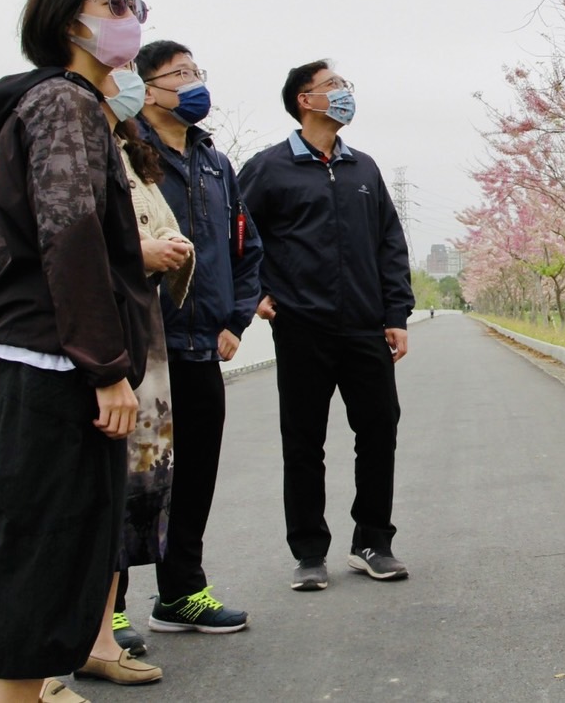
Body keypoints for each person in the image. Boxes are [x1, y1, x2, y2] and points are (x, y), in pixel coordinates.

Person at [0, 0, 156, 703]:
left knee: (48, 553)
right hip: (52, 368)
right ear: (68, 21)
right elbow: (71, 236)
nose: (130, 14)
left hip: (45, 361)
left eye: (135, 1)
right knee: (36, 557)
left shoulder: (67, 107)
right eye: (115, 2)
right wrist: (107, 367)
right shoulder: (65, 106)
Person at [239, 61, 414, 592]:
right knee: (304, 441)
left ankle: (373, 542)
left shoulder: (364, 169)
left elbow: (389, 242)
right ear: (304, 100)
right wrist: (257, 293)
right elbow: (239, 234)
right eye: (333, 87)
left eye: (344, 86)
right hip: (301, 327)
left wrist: (396, 314)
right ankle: (310, 552)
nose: (343, 95)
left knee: (379, 432)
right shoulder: (268, 168)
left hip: (364, 327)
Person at [124, 39, 262, 636]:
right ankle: (111, 606)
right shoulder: (126, 153)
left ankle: (181, 591)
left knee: (196, 472)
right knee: (134, 476)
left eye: (196, 71)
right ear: (145, 87)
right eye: (178, 74)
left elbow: (244, 247)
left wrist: (235, 320)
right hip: (144, 347)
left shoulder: (215, 162)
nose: (192, 83)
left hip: (204, 344)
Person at [83, 66, 195, 673]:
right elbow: (74, 242)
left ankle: (100, 641)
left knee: (126, 494)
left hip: (141, 333)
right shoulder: (68, 138)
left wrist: (167, 251)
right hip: (102, 342)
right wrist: (141, 251)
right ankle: (61, 653)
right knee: (89, 494)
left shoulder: (127, 147)